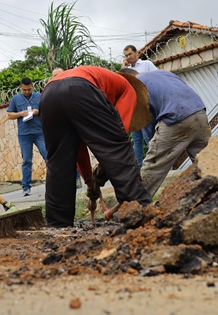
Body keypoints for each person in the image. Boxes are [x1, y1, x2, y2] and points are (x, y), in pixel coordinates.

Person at [40, 66, 152, 227]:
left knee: (59, 160)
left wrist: (90, 181)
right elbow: (116, 140)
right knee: (117, 149)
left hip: (49, 95)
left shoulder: (98, 77)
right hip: (81, 88)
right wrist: (95, 178)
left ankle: (58, 224)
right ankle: (138, 210)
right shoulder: (128, 88)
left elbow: (76, 149)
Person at [120, 69, 211, 197]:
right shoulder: (163, 73)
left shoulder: (137, 85)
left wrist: (157, 147)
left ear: (128, 79)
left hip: (175, 117)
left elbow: (146, 120)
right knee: (207, 165)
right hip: (199, 112)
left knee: (153, 166)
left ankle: (133, 204)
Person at [7, 77, 47, 196]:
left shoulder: (39, 97)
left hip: (39, 132)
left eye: (29, 89)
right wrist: (20, 114)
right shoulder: (15, 99)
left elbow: (45, 110)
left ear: (32, 87)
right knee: (27, 160)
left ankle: (56, 182)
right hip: (24, 135)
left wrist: (37, 111)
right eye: (24, 90)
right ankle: (26, 187)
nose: (27, 92)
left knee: (48, 156)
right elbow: (9, 115)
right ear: (20, 88)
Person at [122, 45, 158, 167]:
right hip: (132, 107)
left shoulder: (146, 65)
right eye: (126, 56)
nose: (128, 57)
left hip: (144, 105)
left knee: (148, 136)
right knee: (136, 140)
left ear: (136, 53)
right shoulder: (126, 69)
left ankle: (154, 164)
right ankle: (138, 168)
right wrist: (124, 68)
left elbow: (157, 77)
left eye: (130, 54)